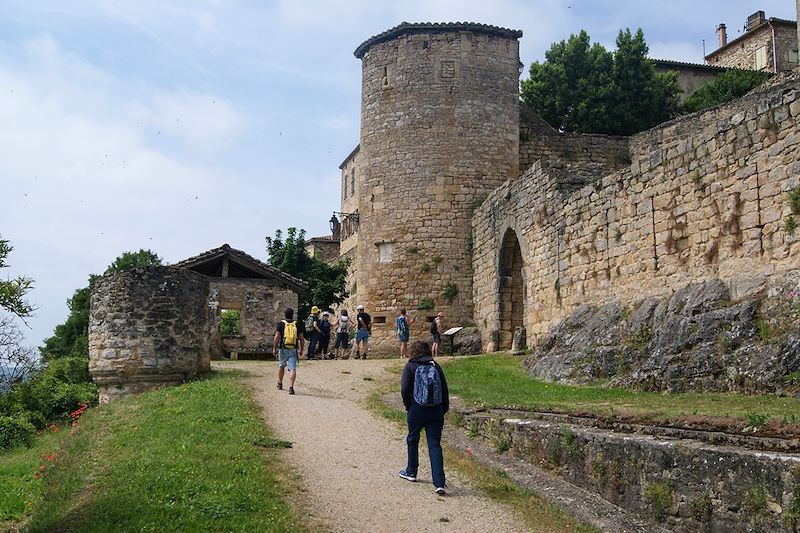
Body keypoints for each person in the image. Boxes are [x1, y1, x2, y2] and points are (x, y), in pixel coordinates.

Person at [398, 340, 449, 495]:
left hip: (416, 409)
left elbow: (405, 388)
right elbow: (444, 388)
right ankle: (439, 483)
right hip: (435, 410)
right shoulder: (435, 366)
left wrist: (409, 406)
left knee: (412, 439)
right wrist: (443, 409)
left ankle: (411, 472)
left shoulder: (411, 366)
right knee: (435, 445)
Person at [273, 307, 305, 395]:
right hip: (293, 349)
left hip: (283, 349)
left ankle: (280, 383)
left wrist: (274, 348)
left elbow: (276, 337)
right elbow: (302, 339)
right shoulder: (297, 324)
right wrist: (302, 349)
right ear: (292, 315)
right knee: (292, 368)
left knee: (281, 366)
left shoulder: (281, 324)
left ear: (285, 315)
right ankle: (291, 387)